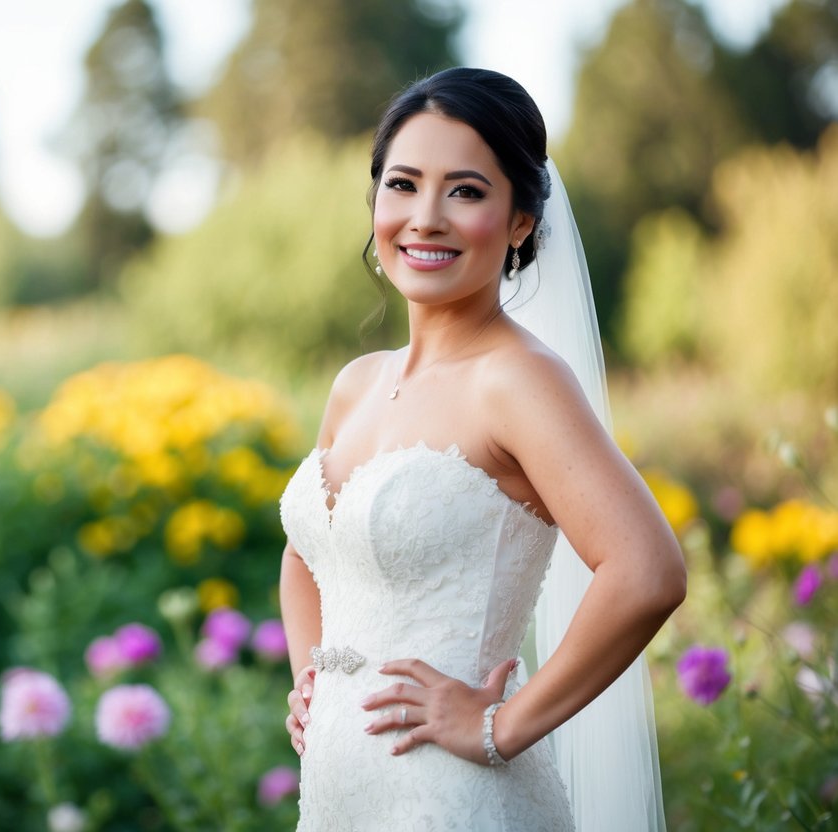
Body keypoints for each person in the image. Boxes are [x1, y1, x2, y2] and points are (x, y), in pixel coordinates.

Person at [278, 67, 686, 831]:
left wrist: (499, 726)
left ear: (520, 221)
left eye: (464, 191)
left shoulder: (517, 382)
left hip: (451, 798)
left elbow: (647, 571)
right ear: (375, 203)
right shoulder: (354, 385)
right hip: (336, 793)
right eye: (402, 184)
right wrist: (312, 671)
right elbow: (307, 556)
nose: (424, 217)